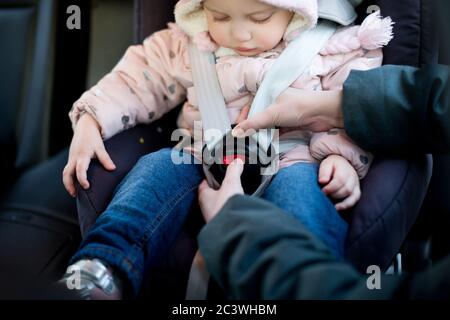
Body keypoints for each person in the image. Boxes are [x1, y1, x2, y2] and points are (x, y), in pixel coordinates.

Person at [61, 0, 393, 298]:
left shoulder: (331, 48)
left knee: (302, 196)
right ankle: (100, 270)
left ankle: (308, 290)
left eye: (259, 18)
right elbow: (137, 78)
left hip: (295, 157)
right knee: (157, 168)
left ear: (295, 11)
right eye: (219, 15)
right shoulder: (190, 45)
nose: (239, 34)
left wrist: (341, 156)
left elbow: (352, 108)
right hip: (202, 154)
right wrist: (91, 120)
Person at [196, 64, 450, 299]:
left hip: (300, 161)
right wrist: (332, 106)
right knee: (160, 166)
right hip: (199, 149)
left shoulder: (335, 57)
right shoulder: (191, 51)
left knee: (298, 191)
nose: (242, 33)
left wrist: (233, 227)